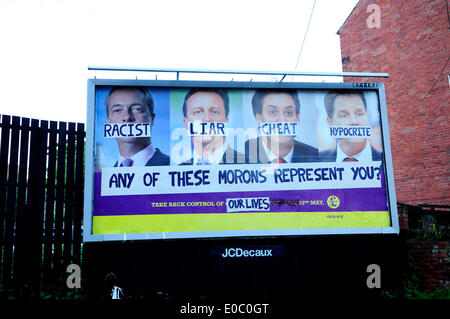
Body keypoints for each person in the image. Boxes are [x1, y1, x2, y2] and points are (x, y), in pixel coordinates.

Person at [245, 89, 318, 163]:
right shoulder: (241, 154)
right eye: (272, 112)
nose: (282, 120)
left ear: (297, 119)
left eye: (288, 112)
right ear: (259, 119)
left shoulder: (315, 156)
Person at [105, 86, 170, 167]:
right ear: (108, 121)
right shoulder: (104, 176)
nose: (127, 117)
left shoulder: (173, 167)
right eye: (117, 110)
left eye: (136, 109)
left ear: (152, 118)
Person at [181, 88, 244, 165]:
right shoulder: (178, 170)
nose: (207, 119)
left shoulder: (246, 164)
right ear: (186, 123)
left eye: (215, 112)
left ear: (225, 121)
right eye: (197, 112)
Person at [320, 90, 383, 162]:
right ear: (330, 122)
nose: (354, 121)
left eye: (359, 114)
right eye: (344, 115)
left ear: (367, 117)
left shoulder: (384, 160)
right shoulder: (315, 160)